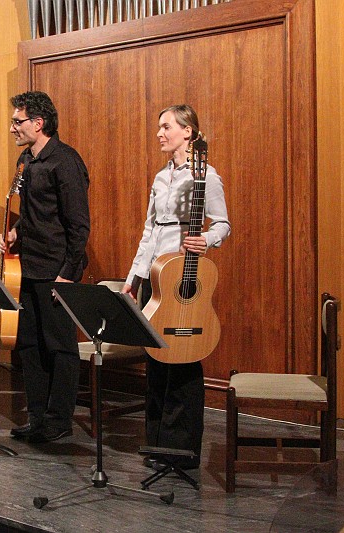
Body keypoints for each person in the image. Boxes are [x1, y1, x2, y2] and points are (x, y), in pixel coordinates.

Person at [122, 104, 230, 469]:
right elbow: (149, 231)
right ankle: (156, 444)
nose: (159, 133)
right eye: (159, 127)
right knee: (156, 363)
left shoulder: (206, 176)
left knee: (183, 364)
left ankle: (181, 452)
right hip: (155, 279)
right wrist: (134, 277)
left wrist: (207, 240)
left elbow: (223, 224)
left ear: (188, 131)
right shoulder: (160, 177)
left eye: (166, 126)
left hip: (182, 279)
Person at [0, 91, 91, 443]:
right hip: (28, 268)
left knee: (60, 347)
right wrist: (14, 233)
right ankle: (37, 416)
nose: (12, 128)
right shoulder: (26, 160)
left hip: (56, 270)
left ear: (38, 123)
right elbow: (34, 215)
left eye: (17, 122)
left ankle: (59, 420)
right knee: (30, 346)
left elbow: (79, 226)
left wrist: (67, 275)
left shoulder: (65, 162)